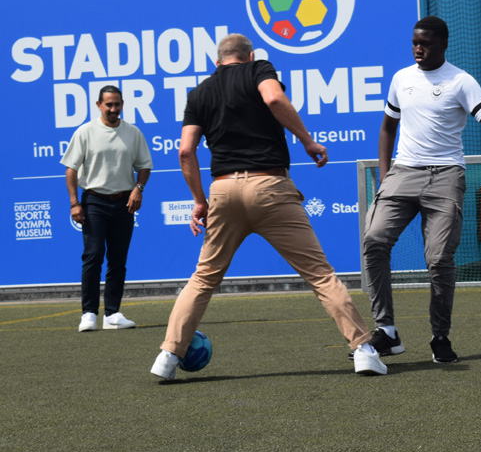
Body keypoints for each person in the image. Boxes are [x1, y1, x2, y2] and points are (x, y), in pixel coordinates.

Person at [150, 34, 386, 380]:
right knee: (320, 275)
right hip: (270, 187)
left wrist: (199, 201)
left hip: (223, 191)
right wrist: (308, 141)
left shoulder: (199, 92)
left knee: (202, 278)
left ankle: (168, 356)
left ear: (217, 62)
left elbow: (185, 152)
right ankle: (363, 351)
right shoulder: (258, 69)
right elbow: (274, 97)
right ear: (249, 57)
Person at [362, 16, 481, 364]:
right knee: (374, 239)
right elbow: (387, 128)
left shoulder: (461, 81)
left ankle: (440, 336)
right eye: (415, 42)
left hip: (446, 175)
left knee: (438, 259)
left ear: (443, 44)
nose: (419, 48)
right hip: (403, 173)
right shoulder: (401, 79)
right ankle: (386, 331)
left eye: (426, 43)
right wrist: (385, 178)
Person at [61, 85, 152, 332]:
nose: (113, 109)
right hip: (94, 202)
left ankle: (112, 314)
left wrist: (138, 189)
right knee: (92, 256)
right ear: (99, 105)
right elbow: (71, 169)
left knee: (118, 260)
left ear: (122, 104)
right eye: (109, 104)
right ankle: (89, 313)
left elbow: (144, 166)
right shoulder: (86, 132)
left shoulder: (133, 133)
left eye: (117, 104)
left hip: (124, 204)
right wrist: (74, 203)